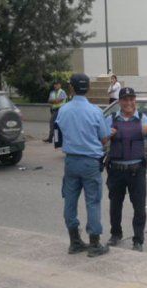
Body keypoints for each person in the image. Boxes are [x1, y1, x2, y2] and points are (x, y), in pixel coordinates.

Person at [55, 73, 111, 257]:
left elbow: (59, 133)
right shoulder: (95, 111)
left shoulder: (63, 110)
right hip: (90, 162)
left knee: (70, 201)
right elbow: (104, 138)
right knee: (93, 202)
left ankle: (75, 241)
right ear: (88, 88)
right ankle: (94, 244)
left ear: (71, 88)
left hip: (71, 161)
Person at [105, 87, 147, 252]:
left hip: (137, 171)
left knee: (139, 207)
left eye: (131, 99)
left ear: (135, 100)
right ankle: (116, 234)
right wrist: (108, 134)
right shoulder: (111, 119)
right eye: (125, 99)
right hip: (116, 170)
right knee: (115, 205)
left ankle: (138, 240)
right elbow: (100, 141)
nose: (128, 102)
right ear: (119, 101)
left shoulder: (142, 119)